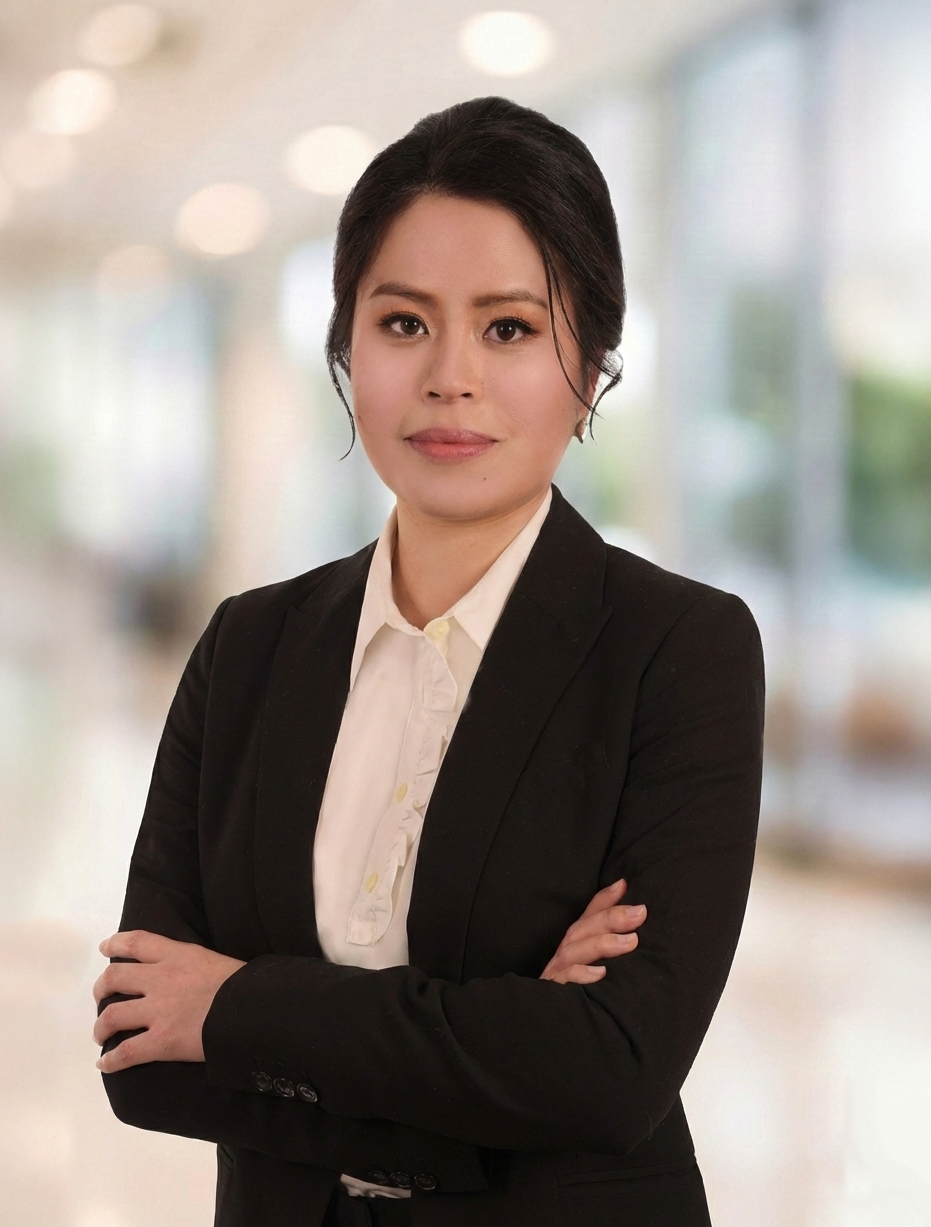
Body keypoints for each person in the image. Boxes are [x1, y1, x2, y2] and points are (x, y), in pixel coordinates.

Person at [93, 96, 764, 1227]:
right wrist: (489, 1044)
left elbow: (609, 1070)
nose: (450, 377)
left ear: (592, 364)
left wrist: (240, 1004)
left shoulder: (678, 650)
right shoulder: (248, 648)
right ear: (346, 349)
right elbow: (144, 1051)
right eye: (403, 323)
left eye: (507, 328)